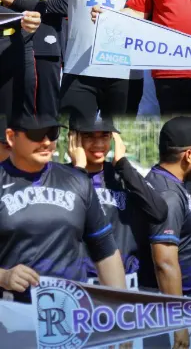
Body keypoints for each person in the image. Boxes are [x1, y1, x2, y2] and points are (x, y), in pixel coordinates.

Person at [0, 109, 126, 308]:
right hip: (11, 316)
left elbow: (106, 251)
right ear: (11, 137)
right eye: (35, 134)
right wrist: (3, 276)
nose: (46, 142)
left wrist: (121, 312)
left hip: (72, 314)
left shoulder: (77, 181)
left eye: (52, 133)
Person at [67, 112, 167, 292]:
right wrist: (79, 171)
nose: (98, 144)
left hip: (125, 284)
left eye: (104, 135)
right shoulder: (61, 177)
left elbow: (159, 212)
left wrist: (122, 163)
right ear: (73, 138)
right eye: (89, 136)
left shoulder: (123, 176)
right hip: (81, 285)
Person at [136, 116, 191, 347]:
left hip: (170, 303)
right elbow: (165, 262)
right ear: (188, 155)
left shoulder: (162, 181)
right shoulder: (168, 194)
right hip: (170, 307)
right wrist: (179, 323)